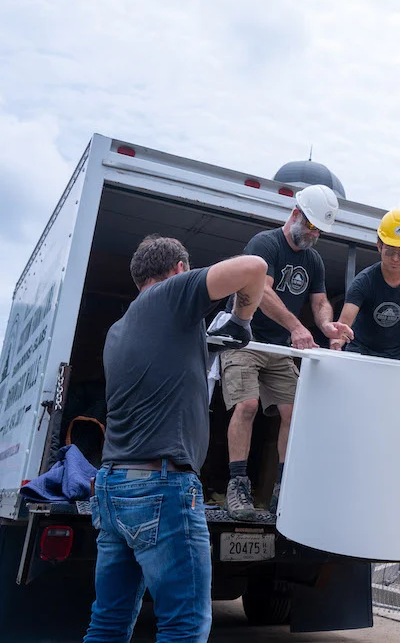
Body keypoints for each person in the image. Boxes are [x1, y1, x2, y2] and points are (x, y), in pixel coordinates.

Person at [84, 235, 267, 643]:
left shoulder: (120, 328)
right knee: (183, 627)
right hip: (162, 489)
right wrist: (241, 317)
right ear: (181, 270)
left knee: (108, 624)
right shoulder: (171, 295)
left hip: (114, 486)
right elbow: (254, 268)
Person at [221, 185, 353, 519]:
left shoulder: (314, 260)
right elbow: (262, 292)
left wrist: (326, 326)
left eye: (318, 230)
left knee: (294, 414)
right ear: (295, 214)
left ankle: (285, 489)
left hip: (276, 348)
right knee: (248, 405)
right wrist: (296, 327)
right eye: (309, 225)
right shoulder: (264, 244)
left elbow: (320, 301)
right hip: (245, 338)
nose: (313, 233)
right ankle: (237, 487)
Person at [332, 208, 400, 361]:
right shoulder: (364, 281)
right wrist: (338, 342)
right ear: (379, 246)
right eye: (390, 252)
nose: (395, 259)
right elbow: (345, 323)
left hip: (397, 354)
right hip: (361, 351)